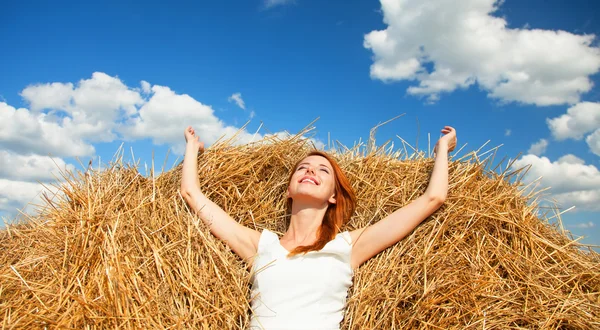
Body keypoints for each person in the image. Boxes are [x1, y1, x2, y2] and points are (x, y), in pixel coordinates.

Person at [180, 125, 457, 330]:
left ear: (333, 195)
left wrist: (442, 149)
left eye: (323, 171)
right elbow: (192, 194)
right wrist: (193, 148)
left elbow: (433, 198)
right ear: (289, 190)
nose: (311, 171)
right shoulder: (260, 246)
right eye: (303, 168)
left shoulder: (347, 247)